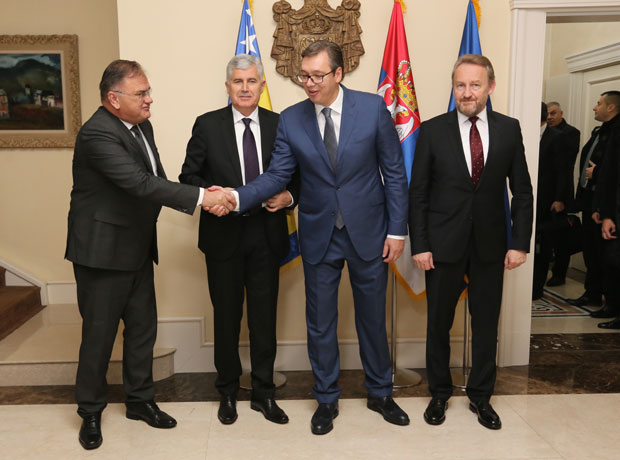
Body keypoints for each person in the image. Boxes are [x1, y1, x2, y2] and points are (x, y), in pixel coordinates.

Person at [219, 40, 410, 435]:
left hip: (369, 232)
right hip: (320, 233)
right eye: (304, 76)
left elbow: (394, 172)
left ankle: (380, 393)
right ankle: (326, 399)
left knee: (372, 319)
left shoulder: (372, 109)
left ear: (338, 74)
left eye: (318, 76)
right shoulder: (291, 119)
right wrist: (237, 197)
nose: (309, 83)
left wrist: (396, 230)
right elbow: (277, 175)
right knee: (320, 322)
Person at [65, 60, 234, 450]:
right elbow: (138, 183)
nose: (149, 99)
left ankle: (140, 401)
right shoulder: (97, 134)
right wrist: (202, 198)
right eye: (141, 93)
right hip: (102, 252)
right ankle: (90, 411)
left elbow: (155, 180)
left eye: (148, 91)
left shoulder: (141, 126)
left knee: (143, 330)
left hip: (137, 247)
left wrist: (204, 195)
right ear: (114, 98)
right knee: (98, 337)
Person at [409, 54, 533, 430]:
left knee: (486, 325)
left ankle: (481, 396)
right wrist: (420, 245)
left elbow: (522, 191)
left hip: (491, 246)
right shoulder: (433, 130)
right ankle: (439, 393)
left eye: (475, 85)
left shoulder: (509, 129)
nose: (467, 92)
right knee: (438, 324)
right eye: (460, 85)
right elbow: (418, 193)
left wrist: (519, 242)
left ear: (490, 87)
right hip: (442, 245)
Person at [179, 54, 298, 425]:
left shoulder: (280, 124)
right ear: (227, 86)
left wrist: (290, 197)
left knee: (264, 319)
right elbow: (188, 177)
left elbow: (300, 175)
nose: (245, 88)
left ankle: (264, 394)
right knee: (227, 319)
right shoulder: (207, 125)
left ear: (262, 86)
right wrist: (209, 197)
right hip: (223, 236)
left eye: (251, 81)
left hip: (267, 234)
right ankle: (227, 393)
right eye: (238, 81)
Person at [569, 92, 620, 318]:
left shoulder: (616, 132)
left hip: (609, 205)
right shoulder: (601, 131)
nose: (594, 107)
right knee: (591, 251)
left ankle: (612, 304)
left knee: (608, 257)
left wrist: (596, 173)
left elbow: (613, 170)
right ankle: (592, 293)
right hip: (593, 201)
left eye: (599, 103)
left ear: (611, 108)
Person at [532, 102, 572, 300]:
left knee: (543, 246)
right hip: (529, 198)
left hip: (547, 200)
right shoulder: (525, 134)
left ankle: (536, 288)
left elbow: (563, 171)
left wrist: (559, 199)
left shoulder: (557, 137)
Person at [592, 90, 620, 327]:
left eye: (599, 103)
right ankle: (612, 306)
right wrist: (603, 209)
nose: (595, 107)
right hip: (612, 208)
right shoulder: (610, 131)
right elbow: (610, 174)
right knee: (611, 261)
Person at [545, 102, 581, 286]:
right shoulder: (545, 132)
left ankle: (559, 274)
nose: (550, 117)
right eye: (547, 114)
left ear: (561, 113)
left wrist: (560, 198)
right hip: (545, 191)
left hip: (561, 192)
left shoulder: (570, 133)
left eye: (553, 113)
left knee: (561, 237)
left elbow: (565, 167)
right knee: (547, 235)